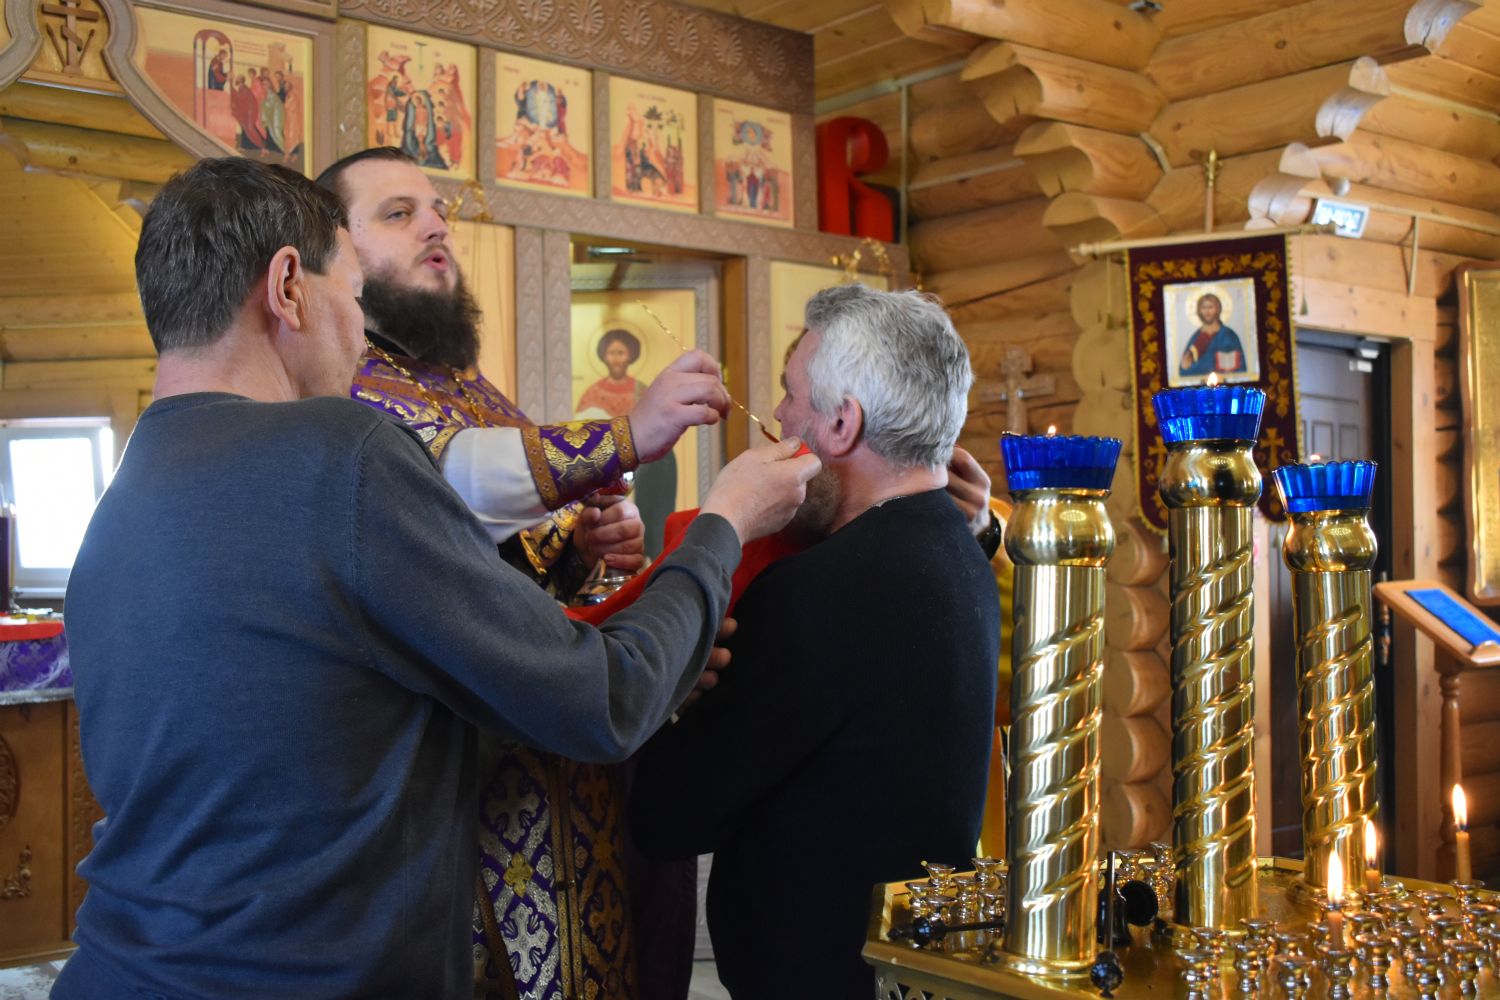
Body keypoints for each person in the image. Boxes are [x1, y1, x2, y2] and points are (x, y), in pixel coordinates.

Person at [56, 156, 818, 999]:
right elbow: (604, 701)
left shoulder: (119, 505)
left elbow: (318, 735)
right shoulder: (341, 450)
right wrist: (724, 524)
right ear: (287, 287)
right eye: (352, 296)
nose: (358, 336)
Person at [315, 147, 728, 1000]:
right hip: (474, 800)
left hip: (570, 772)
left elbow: (516, 558)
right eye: (399, 213)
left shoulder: (471, 387)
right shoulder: (347, 391)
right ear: (337, 251)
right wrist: (626, 435)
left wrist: (587, 545)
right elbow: (450, 481)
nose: (436, 227)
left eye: (437, 209)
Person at [629, 284, 1000, 999]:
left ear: (840, 422)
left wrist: (672, 680)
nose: (777, 419)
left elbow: (668, 816)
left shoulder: (818, 590)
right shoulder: (964, 550)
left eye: (790, 395)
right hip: (903, 968)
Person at [1178, 292, 1247, 378]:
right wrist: (1186, 366)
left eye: (1210, 307)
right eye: (1203, 307)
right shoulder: (1196, 336)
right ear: (1199, 310)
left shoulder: (1228, 336)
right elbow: (1183, 370)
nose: (1207, 311)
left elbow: (1239, 369)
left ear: (1218, 309)